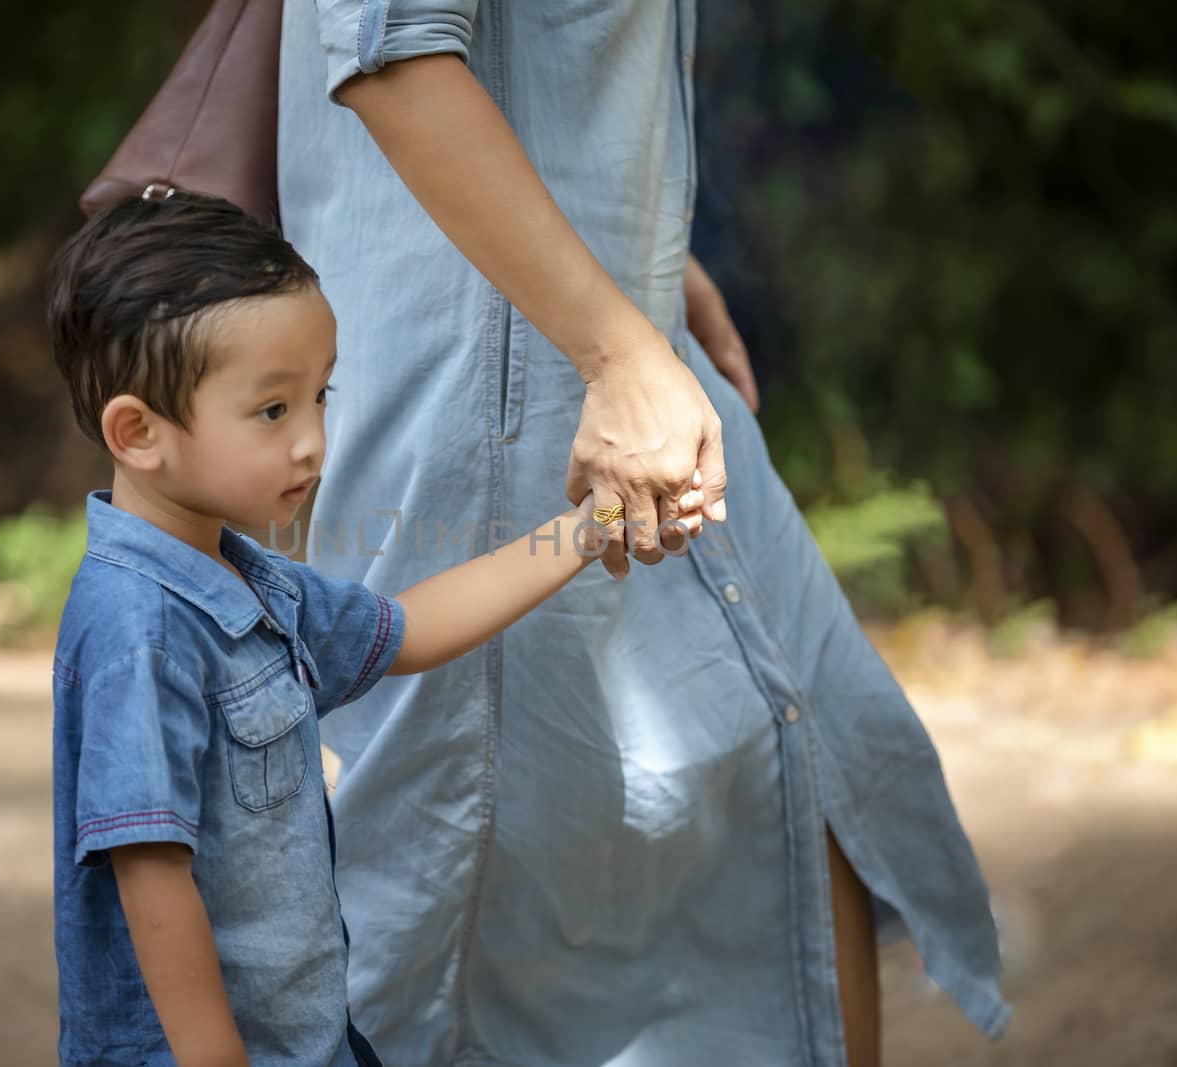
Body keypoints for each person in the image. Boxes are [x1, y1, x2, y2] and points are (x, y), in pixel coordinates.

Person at [275, 4, 1013, 1066]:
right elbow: (395, 60)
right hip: (499, 400)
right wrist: (614, 345)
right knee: (424, 898)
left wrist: (642, 261)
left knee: (814, 765)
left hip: (608, 347)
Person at [43, 192, 705, 1067]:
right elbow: (150, 871)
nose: (315, 440)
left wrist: (583, 529)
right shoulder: (140, 626)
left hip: (307, 1037)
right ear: (140, 432)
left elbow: (408, 629)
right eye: (273, 411)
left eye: (320, 395)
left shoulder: (248, 581)